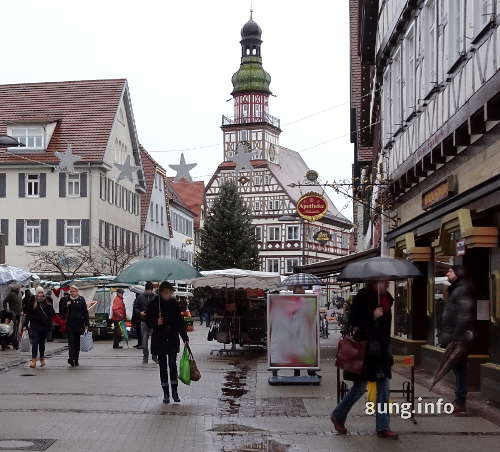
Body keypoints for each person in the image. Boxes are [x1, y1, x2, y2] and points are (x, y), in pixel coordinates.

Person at [331, 281, 398, 440]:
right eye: (383, 280)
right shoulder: (362, 296)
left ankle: (383, 427)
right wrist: (371, 316)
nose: (387, 283)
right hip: (366, 351)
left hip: (381, 351)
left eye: (388, 280)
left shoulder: (387, 298)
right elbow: (353, 320)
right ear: (374, 281)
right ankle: (338, 415)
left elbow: (385, 327)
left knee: (383, 388)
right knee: (360, 388)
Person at [439, 265, 476, 414]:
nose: (447, 272)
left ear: (458, 273)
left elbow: (464, 315)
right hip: (455, 337)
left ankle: (460, 402)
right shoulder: (456, 288)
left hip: (458, 339)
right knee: (458, 370)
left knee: (460, 370)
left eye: (451, 271)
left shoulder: (461, 289)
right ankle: (460, 400)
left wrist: (456, 338)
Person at [146, 281, 189, 404]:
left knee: (172, 364)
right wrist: (156, 322)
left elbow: (180, 322)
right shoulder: (154, 304)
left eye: (170, 293)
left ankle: (175, 391)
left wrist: (184, 337)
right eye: (167, 293)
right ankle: (166, 393)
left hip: (172, 338)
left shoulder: (174, 303)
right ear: (161, 292)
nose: (169, 295)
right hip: (159, 339)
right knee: (163, 366)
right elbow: (148, 321)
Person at [23, 287, 55, 368]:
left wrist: (49, 325)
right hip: (35, 326)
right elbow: (28, 314)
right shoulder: (32, 301)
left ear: (43, 293)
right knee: (35, 343)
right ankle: (33, 360)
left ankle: (42, 358)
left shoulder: (47, 301)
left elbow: (52, 314)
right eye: (39, 293)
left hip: (44, 327)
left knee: (41, 344)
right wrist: (25, 325)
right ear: (36, 294)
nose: (40, 294)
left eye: (41, 292)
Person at [60, 285, 89, 367]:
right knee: (71, 343)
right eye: (71, 291)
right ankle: (71, 358)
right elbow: (62, 311)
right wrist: (66, 306)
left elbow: (85, 312)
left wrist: (87, 324)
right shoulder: (66, 299)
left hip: (79, 325)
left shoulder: (81, 299)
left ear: (77, 292)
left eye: (74, 291)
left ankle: (76, 359)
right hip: (70, 325)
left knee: (77, 344)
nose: (72, 293)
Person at [133, 282, 157, 364]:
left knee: (154, 340)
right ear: (145, 289)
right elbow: (135, 307)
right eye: (148, 290)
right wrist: (140, 312)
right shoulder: (140, 297)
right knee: (144, 340)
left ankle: (154, 356)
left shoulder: (155, 297)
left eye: (150, 290)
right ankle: (145, 356)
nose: (149, 291)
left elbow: (159, 308)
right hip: (144, 321)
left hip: (153, 322)